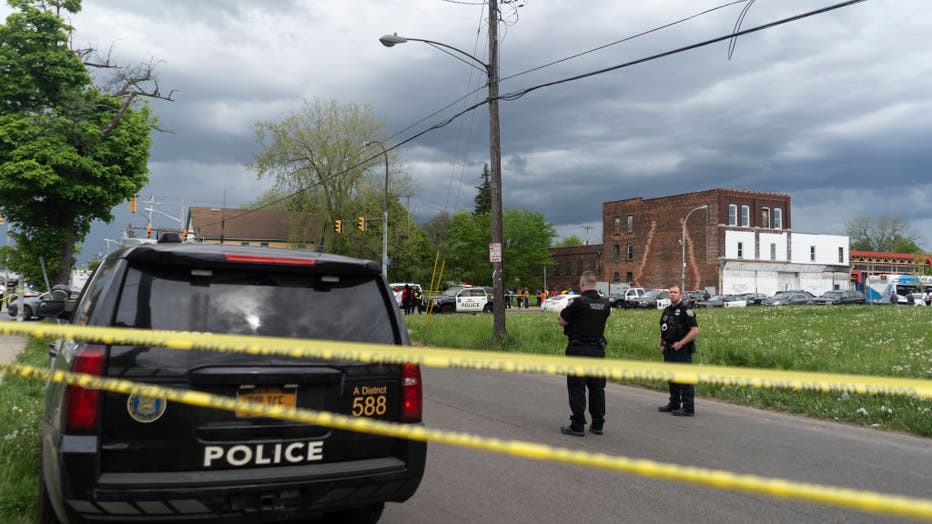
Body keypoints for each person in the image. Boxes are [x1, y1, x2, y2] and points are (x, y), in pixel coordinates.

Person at [557, 270, 611, 436]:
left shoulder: (578, 303)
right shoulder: (605, 304)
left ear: (582, 284)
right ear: (595, 284)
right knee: (597, 388)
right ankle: (597, 424)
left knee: (577, 387)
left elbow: (561, 320)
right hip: (597, 350)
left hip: (579, 350)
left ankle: (578, 424)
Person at [657, 285, 700, 417]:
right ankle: (674, 403)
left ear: (680, 295)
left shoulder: (686, 310)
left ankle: (688, 407)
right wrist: (660, 343)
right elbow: (663, 328)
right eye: (671, 292)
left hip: (682, 350)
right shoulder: (667, 311)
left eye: (675, 292)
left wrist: (681, 343)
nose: (673, 294)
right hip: (669, 348)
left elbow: (695, 330)